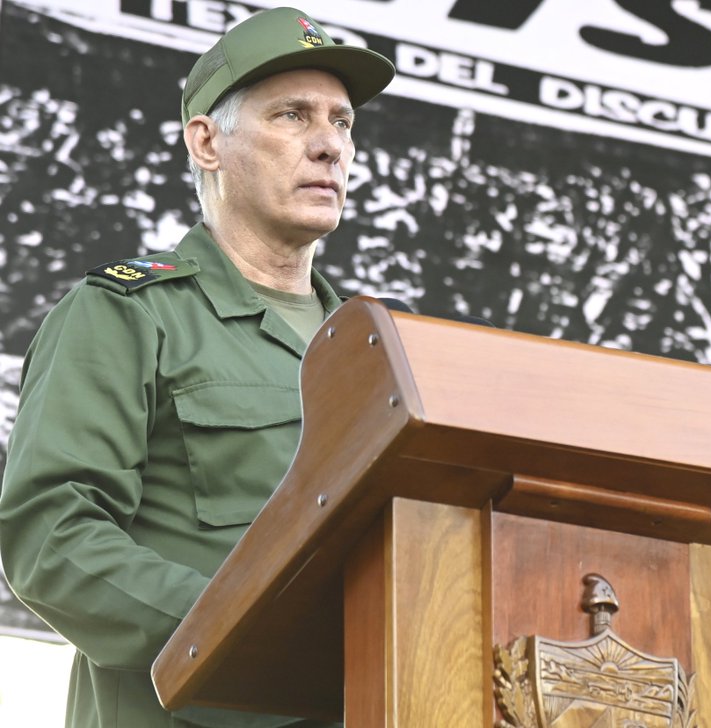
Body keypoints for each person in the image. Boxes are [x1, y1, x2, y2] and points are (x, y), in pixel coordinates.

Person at [0, 7, 394, 727]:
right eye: (293, 116)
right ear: (207, 142)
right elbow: (50, 539)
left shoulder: (386, 351)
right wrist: (253, 630)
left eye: (342, 122)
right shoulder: (127, 314)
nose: (329, 146)